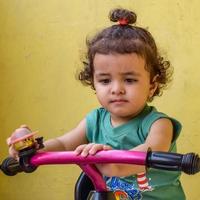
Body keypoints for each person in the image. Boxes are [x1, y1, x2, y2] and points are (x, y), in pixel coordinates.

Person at [7, 8, 185, 200]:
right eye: (105, 81)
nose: (116, 89)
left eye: (130, 80)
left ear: (152, 85)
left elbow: (122, 165)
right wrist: (34, 151)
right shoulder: (95, 120)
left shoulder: (159, 125)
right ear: (93, 82)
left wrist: (103, 158)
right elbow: (64, 143)